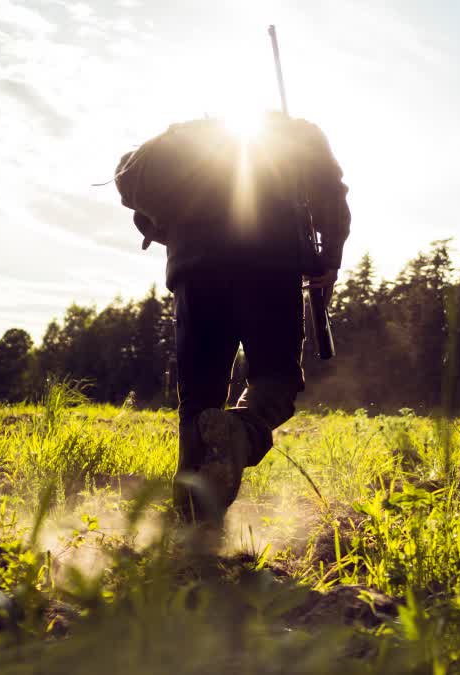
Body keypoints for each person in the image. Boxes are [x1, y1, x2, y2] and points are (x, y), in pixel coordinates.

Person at [115, 113, 350, 523]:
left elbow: (146, 211)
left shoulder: (182, 156)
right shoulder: (294, 137)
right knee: (275, 382)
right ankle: (240, 434)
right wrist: (327, 260)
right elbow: (331, 194)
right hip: (270, 268)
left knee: (199, 400)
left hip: (193, 276)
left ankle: (192, 528)